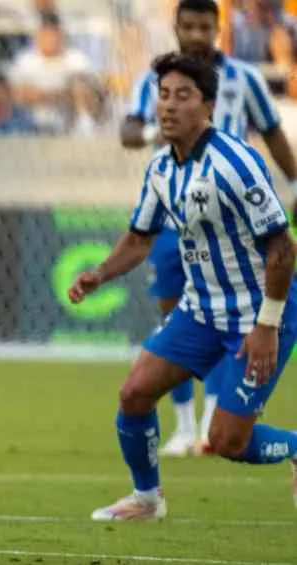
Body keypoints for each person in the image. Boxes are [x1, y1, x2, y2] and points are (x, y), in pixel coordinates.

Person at [70, 52, 297, 521]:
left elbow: (283, 249)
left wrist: (267, 327)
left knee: (227, 441)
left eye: (183, 96)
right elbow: (139, 237)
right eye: (164, 96)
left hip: (259, 313)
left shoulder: (236, 163)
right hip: (201, 311)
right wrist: (101, 273)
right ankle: (147, 500)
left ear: (209, 106)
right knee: (134, 395)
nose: (169, 107)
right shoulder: (160, 168)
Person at [121, 0, 297, 457]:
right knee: (175, 316)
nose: (196, 34)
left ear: (218, 29)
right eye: (188, 25)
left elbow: (274, 132)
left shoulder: (245, 80)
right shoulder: (156, 83)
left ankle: (212, 419)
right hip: (178, 214)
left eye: (204, 26)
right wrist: (153, 135)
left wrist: (295, 179)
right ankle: (182, 426)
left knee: (231, 315)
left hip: (234, 218)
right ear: (176, 27)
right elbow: (128, 132)